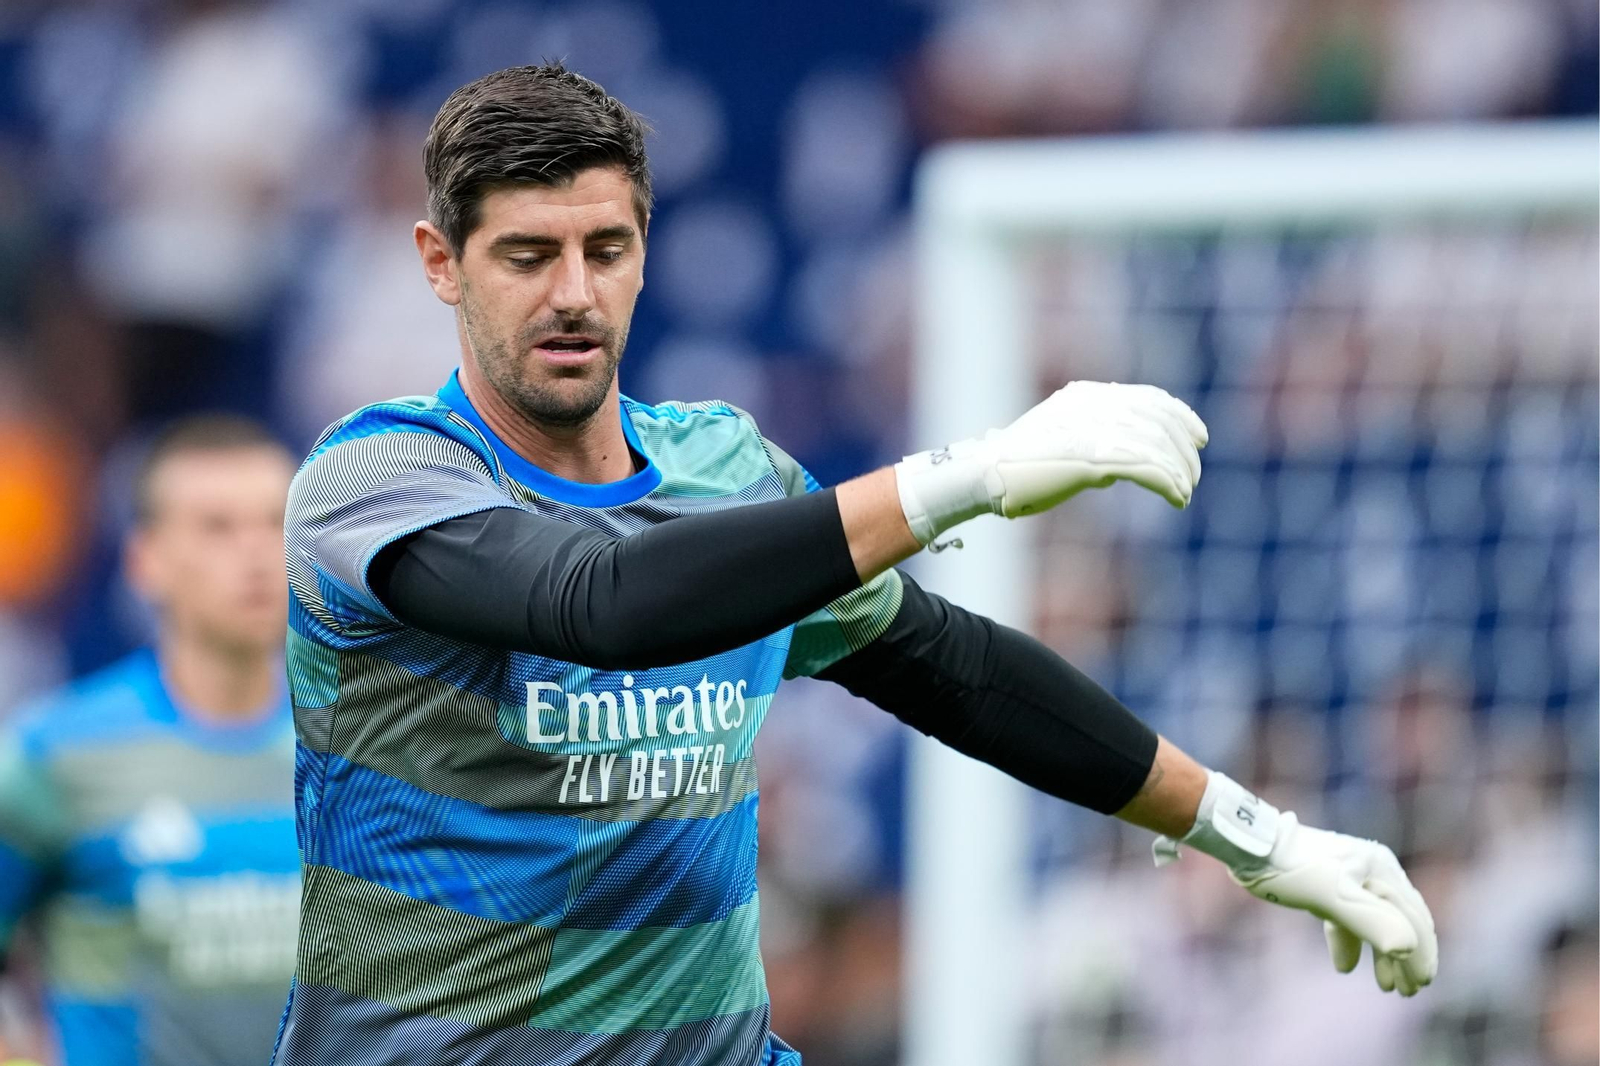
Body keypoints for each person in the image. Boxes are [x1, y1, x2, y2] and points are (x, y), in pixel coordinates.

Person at [270, 64, 1437, 1066]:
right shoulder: (376, 480)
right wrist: (966, 474)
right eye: (527, 254)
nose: (573, 294)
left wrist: (1256, 837)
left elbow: (951, 668)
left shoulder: (724, 469)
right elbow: (601, 603)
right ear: (440, 262)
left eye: (604, 248)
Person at [0, 416, 301, 1065]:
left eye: (278, 521)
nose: (256, 552)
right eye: (218, 527)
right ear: (146, 561)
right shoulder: (55, 756)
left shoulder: (360, 750)